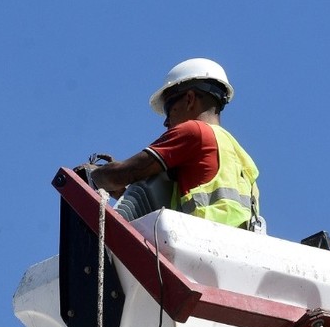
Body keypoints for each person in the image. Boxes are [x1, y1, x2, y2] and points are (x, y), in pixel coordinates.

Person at [79, 58, 263, 231]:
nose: (166, 122)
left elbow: (129, 171)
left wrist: (92, 174)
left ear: (189, 99)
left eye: (168, 109)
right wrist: (125, 193)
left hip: (199, 241)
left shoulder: (194, 132)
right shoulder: (238, 155)